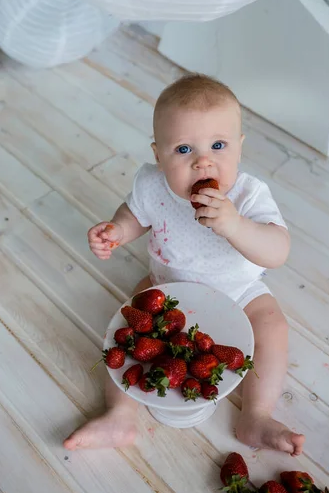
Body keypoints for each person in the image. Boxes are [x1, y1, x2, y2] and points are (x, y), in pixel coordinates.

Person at [64, 73, 305, 456]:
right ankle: (120, 416)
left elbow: (277, 251)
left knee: (273, 329)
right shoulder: (152, 184)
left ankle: (256, 416)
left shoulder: (247, 196)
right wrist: (117, 230)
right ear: (158, 155)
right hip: (167, 289)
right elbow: (135, 215)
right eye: (183, 150)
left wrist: (236, 226)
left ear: (239, 149)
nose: (203, 161)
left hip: (237, 293)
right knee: (126, 331)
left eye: (219, 145)